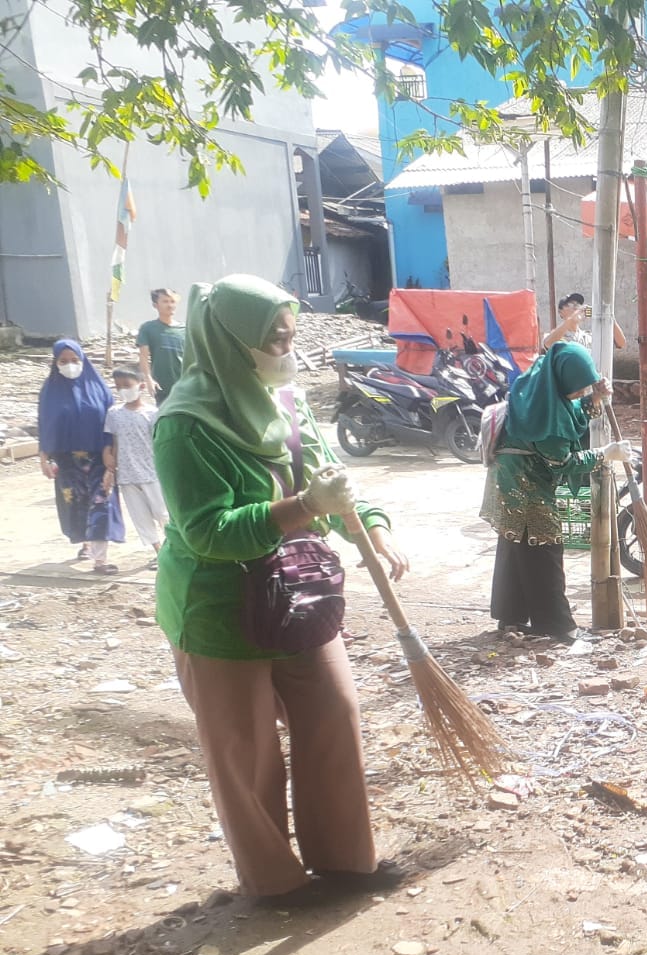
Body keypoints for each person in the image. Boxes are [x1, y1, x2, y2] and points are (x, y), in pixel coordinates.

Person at [154, 274, 409, 901]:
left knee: (333, 712)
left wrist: (370, 526)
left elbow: (330, 478)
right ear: (230, 342)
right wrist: (301, 507)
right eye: (274, 339)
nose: (285, 350)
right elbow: (210, 530)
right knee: (246, 752)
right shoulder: (184, 425)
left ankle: (346, 861)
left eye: (291, 336)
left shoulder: (284, 400)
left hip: (297, 591)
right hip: (219, 608)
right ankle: (275, 882)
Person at [481, 341, 629, 641]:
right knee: (544, 549)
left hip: (506, 480)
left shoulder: (535, 387)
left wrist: (594, 399)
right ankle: (558, 625)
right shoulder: (546, 422)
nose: (579, 394)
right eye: (577, 388)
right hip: (524, 487)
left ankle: (510, 617)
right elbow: (563, 462)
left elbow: (565, 411)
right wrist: (605, 453)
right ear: (562, 379)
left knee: (515, 547)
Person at [37, 340, 125, 573]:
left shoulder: (99, 389)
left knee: (101, 504)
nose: (70, 365)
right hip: (66, 462)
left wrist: (111, 456)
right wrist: (43, 458)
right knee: (76, 504)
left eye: (75, 360)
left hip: (99, 458)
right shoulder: (50, 391)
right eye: (63, 361)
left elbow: (112, 423)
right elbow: (44, 424)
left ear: (83, 360)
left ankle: (100, 560)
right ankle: (85, 545)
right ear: (55, 363)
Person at [104, 366, 168, 561]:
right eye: (118, 386)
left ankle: (171, 550)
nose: (123, 389)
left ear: (140, 385)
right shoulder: (114, 413)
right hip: (127, 475)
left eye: (127, 385)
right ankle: (160, 554)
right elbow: (114, 442)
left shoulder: (152, 413)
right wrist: (110, 468)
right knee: (141, 519)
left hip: (152, 473)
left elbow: (160, 443)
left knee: (163, 515)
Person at [137, 287, 187, 403]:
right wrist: (149, 379)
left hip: (184, 385)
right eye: (165, 301)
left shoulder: (185, 329)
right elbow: (143, 356)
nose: (169, 305)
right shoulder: (148, 328)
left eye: (172, 301)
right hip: (162, 385)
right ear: (155, 305)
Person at [542, 292, 626, 352]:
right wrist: (570, 320)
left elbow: (621, 343)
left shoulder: (589, 337)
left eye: (578, 304)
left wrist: (609, 317)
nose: (576, 306)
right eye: (570, 304)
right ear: (561, 312)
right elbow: (548, 343)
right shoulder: (558, 336)